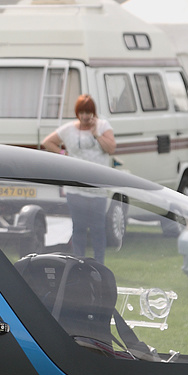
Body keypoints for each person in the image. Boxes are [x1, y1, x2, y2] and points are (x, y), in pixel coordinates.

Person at [42, 94, 116, 260]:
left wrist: (96, 134)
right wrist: (63, 153)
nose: (85, 117)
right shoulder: (69, 128)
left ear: (93, 113)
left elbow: (111, 149)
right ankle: (78, 263)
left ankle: (99, 264)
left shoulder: (103, 126)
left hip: (97, 189)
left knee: (98, 228)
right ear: (77, 113)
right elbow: (47, 142)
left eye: (88, 113)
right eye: (81, 113)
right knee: (79, 228)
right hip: (75, 188)